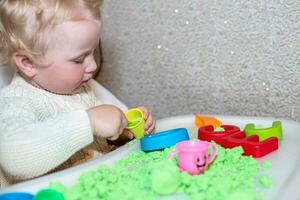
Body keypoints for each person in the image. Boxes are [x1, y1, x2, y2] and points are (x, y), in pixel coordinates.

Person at [0, 0, 155, 187]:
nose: (93, 66)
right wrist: (88, 123)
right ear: (28, 63)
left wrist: (123, 133)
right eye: (79, 59)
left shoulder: (82, 89)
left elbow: (103, 142)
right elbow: (15, 157)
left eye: (93, 52)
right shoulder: (15, 102)